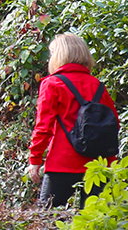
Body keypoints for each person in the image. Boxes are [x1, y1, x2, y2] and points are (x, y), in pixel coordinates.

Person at [29, 32, 119, 209]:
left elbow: (43, 127)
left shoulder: (52, 84)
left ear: (59, 55)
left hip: (62, 162)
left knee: (48, 217)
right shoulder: (97, 85)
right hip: (98, 164)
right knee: (95, 219)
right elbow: (113, 123)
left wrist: (35, 160)